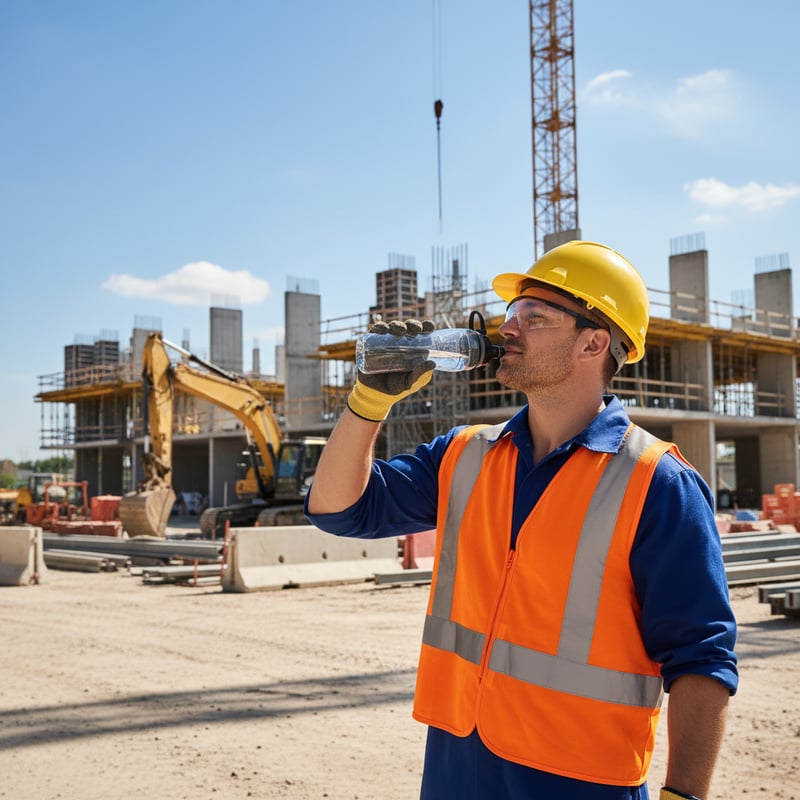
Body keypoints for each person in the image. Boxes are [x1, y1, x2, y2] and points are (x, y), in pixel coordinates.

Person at [305, 240, 738, 800]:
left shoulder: (657, 482)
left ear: (594, 342)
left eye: (535, 317)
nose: (508, 328)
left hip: (582, 783)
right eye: (512, 313)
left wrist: (684, 797)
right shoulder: (464, 455)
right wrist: (367, 404)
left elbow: (702, 658)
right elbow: (339, 510)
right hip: (459, 768)